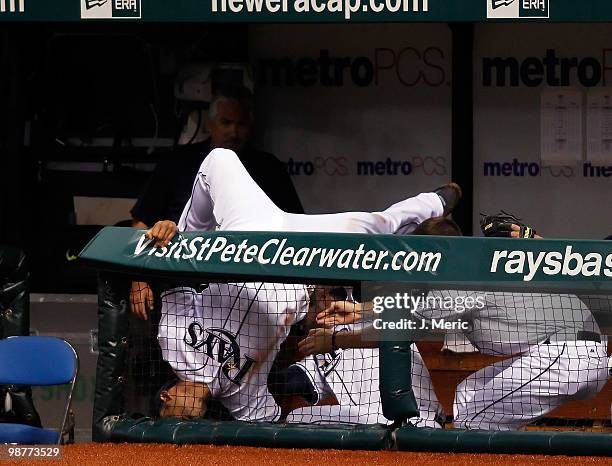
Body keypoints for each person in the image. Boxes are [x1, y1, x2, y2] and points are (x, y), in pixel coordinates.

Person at [146, 148, 462, 420]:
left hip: (250, 238)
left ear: (166, 398)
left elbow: (176, 279)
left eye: (168, 420)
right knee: (373, 226)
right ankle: (431, 203)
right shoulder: (241, 399)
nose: (181, 425)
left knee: (219, 159)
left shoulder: (171, 344)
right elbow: (267, 424)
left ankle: (198, 236)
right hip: (300, 265)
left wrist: (179, 237)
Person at [310, 220, 610, 431]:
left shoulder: (466, 275)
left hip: (566, 357)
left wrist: (345, 329)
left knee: (474, 422)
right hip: (573, 356)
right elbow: (406, 321)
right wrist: (353, 321)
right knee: (468, 395)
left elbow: (402, 323)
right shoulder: (466, 276)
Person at [130, 85, 303, 320]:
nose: (234, 132)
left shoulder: (269, 168)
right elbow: (142, 222)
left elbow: (295, 228)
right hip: (180, 281)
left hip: (247, 286)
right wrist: (138, 279)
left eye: (241, 124)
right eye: (226, 122)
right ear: (210, 125)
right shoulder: (176, 162)